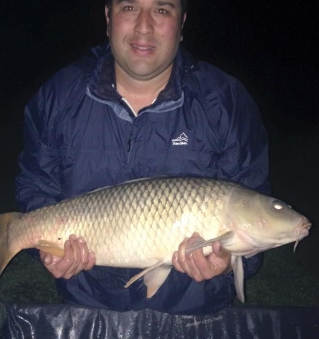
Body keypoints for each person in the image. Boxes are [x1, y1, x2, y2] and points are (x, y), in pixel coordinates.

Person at [15, 0, 270, 315]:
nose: (144, 26)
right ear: (108, 17)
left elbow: (251, 206)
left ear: (182, 24)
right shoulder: (60, 95)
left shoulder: (225, 101)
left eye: (162, 10)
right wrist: (47, 250)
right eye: (130, 8)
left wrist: (228, 263)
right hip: (88, 302)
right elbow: (35, 183)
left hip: (195, 307)